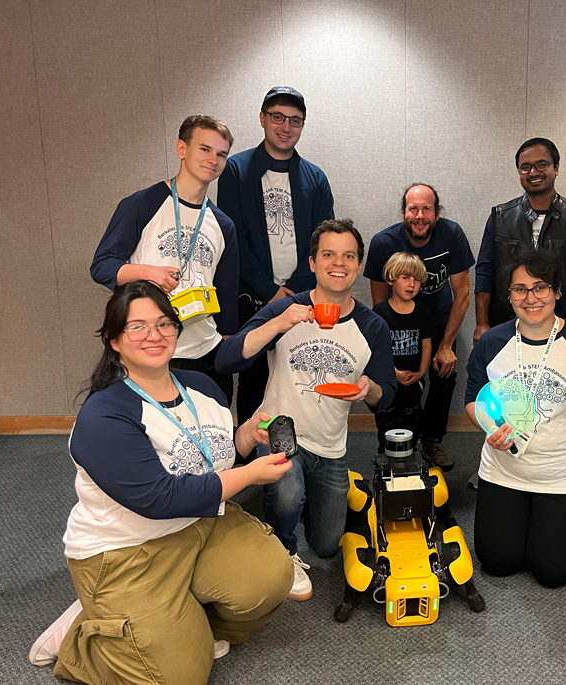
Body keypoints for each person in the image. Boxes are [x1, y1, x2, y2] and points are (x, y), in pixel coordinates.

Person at [28, 281, 294, 684]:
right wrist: (251, 474)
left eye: (163, 324)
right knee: (178, 677)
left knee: (270, 579)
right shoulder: (104, 415)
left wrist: (244, 437)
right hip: (127, 550)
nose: (154, 335)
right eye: (137, 326)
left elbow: (212, 459)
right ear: (113, 339)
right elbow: (160, 498)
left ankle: (184, 627)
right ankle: (84, 637)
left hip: (199, 525)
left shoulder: (202, 388)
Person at [216, 219, 396, 602]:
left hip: (330, 444)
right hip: (279, 430)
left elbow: (387, 396)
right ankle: (281, 548)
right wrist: (277, 323)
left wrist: (371, 389)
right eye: (328, 254)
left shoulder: (372, 326)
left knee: (327, 546)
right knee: (287, 494)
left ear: (359, 266)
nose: (338, 263)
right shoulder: (286, 309)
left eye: (348, 256)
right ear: (313, 262)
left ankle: (314, 496)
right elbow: (226, 359)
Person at [465, 250, 566, 588]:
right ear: (509, 295)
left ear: (557, 291)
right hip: (504, 470)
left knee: (554, 572)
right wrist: (489, 428)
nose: (531, 298)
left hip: (565, 474)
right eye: (520, 289)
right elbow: (473, 400)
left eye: (540, 287)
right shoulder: (491, 342)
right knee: (497, 562)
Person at [90, 115, 239, 402]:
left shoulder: (224, 225)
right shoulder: (141, 205)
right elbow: (102, 266)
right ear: (182, 149)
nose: (213, 160)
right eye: (204, 149)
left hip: (205, 351)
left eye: (222, 154)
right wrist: (150, 274)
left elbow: (227, 295)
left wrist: (226, 352)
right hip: (151, 348)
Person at [218, 86, 335, 427]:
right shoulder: (236, 170)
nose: (286, 127)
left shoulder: (315, 177)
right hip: (253, 297)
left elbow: (322, 243)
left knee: (301, 375)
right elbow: (234, 238)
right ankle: (248, 451)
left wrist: (294, 292)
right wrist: (269, 291)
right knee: (253, 381)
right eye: (278, 117)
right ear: (262, 119)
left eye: (295, 120)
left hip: (303, 297)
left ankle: (302, 448)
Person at [364, 183, 474, 470]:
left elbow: (463, 294)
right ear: (403, 212)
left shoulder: (452, 234)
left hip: (437, 313)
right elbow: (380, 307)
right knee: (396, 379)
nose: (420, 215)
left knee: (444, 369)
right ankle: (392, 438)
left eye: (427, 209)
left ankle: (432, 439)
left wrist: (445, 346)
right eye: (413, 209)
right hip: (398, 316)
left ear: (436, 213)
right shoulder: (383, 242)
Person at [474, 137, 566, 344]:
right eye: (525, 167)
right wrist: (481, 324)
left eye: (541, 164)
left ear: (556, 168)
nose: (533, 172)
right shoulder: (499, 218)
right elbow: (484, 273)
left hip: (560, 327)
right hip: (505, 326)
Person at [372, 252, 433, 455]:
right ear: (391, 279)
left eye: (417, 280)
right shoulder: (380, 312)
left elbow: (426, 344)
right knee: (386, 424)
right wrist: (393, 372)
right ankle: (384, 459)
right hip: (387, 381)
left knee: (411, 424)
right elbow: (376, 351)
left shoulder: (422, 311)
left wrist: (421, 372)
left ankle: (410, 458)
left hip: (413, 381)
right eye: (405, 277)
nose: (411, 284)